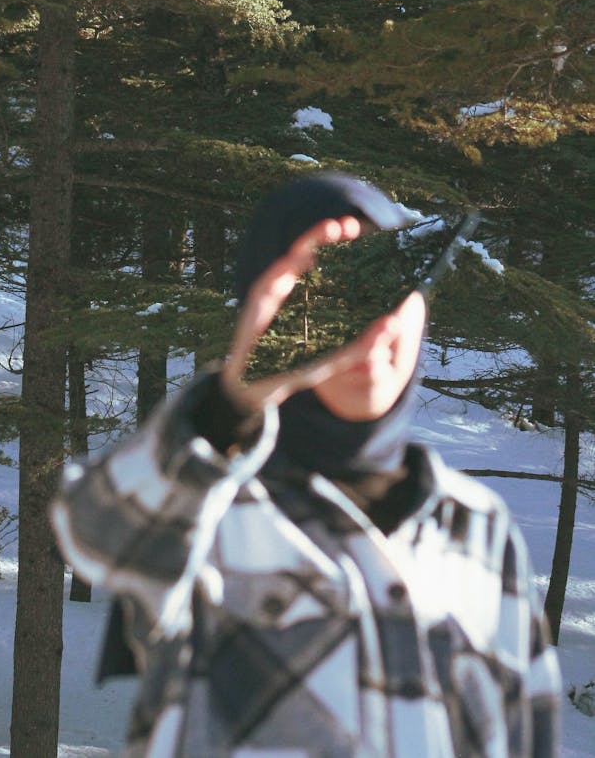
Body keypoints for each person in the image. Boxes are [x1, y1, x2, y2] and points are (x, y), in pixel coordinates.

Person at [51, 172, 561, 757]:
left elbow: (529, 733)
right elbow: (96, 533)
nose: (373, 329)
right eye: (324, 291)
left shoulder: (477, 525)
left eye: (392, 290)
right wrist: (234, 399)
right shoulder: (209, 507)